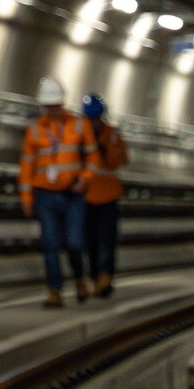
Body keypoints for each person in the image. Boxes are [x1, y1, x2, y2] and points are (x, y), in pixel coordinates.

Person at [19, 76, 95, 306]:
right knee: (50, 244)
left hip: (72, 195)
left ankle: (80, 278)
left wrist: (85, 178)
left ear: (62, 103)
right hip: (44, 195)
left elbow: (92, 157)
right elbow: (26, 166)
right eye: (48, 106)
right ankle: (54, 291)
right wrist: (26, 197)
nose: (52, 109)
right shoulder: (35, 129)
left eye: (55, 105)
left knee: (73, 243)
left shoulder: (79, 125)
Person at [80, 93, 129, 297]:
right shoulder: (80, 134)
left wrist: (106, 149)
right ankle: (94, 277)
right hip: (86, 196)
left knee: (107, 240)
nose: (94, 123)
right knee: (89, 240)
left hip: (108, 197)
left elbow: (121, 160)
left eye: (96, 119)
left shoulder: (112, 135)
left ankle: (106, 278)